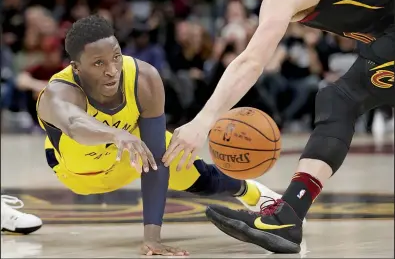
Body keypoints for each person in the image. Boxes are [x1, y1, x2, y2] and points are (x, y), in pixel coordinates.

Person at [162, 0, 394, 254]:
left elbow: (250, 62)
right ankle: (288, 214)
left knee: (341, 99)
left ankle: (288, 215)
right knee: (339, 100)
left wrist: (203, 121)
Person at [35, 15, 284, 256]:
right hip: (77, 173)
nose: (112, 70)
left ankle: (256, 194)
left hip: (132, 153)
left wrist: (152, 238)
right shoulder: (58, 93)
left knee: (191, 169)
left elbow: (155, 159)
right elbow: (75, 124)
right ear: (76, 68)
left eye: (116, 57)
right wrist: (116, 135)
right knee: (135, 145)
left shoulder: (144, 79)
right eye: (99, 63)